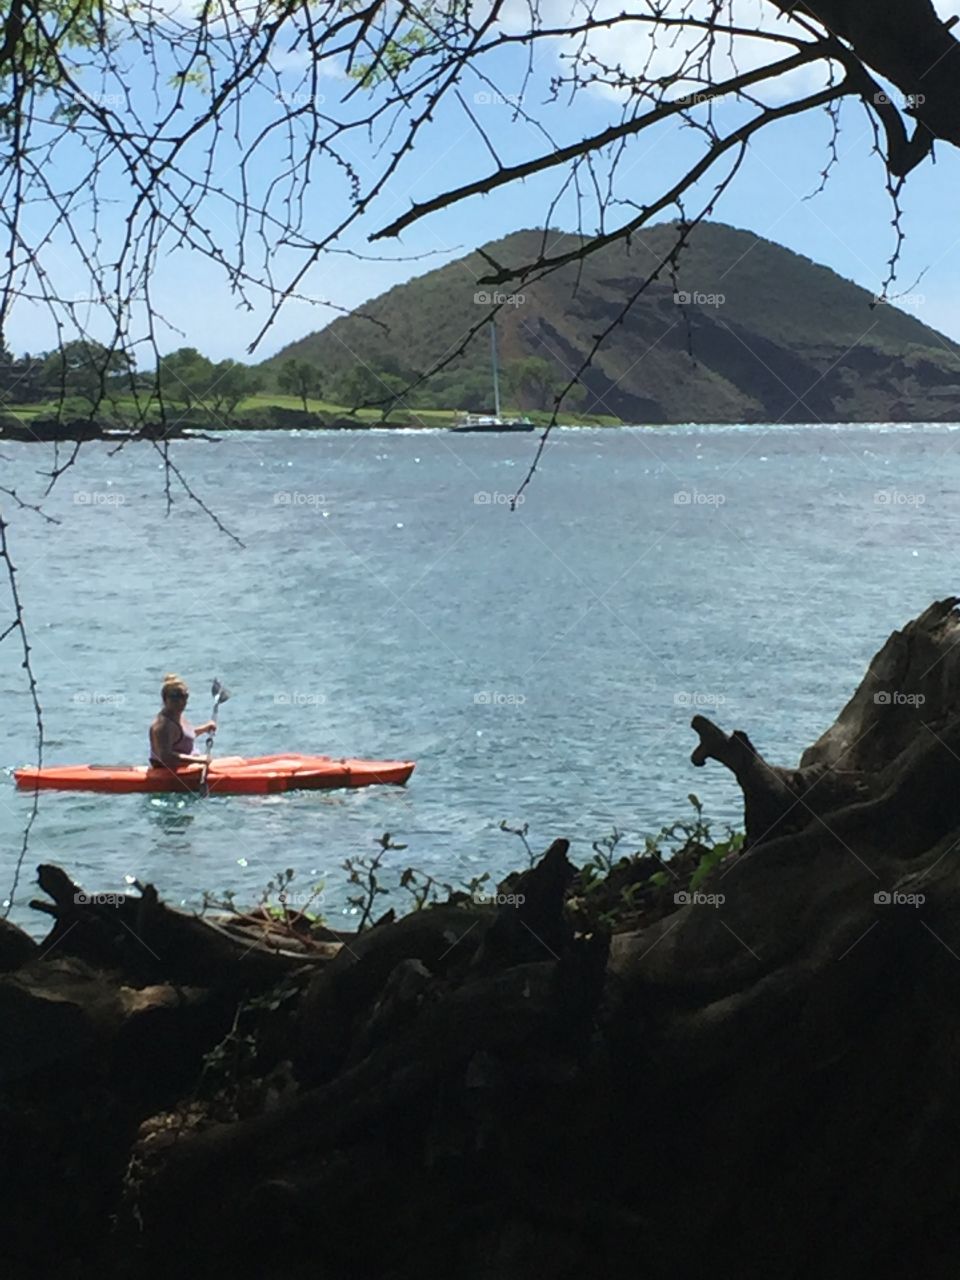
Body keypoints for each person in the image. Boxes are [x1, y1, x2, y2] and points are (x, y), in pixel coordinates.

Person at [149, 674, 218, 769]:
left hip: (189, 767)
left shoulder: (177, 716)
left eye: (184, 696)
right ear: (165, 698)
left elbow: (183, 737)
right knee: (234, 764)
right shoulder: (163, 726)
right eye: (174, 697)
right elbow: (166, 757)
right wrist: (199, 760)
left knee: (237, 761)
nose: (180, 701)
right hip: (170, 773)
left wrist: (204, 728)